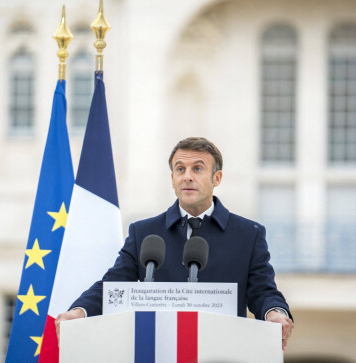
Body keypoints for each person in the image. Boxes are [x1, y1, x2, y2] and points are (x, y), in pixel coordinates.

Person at [56, 137, 294, 349]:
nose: (187, 176)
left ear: (217, 178)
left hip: (222, 350)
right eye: (180, 169)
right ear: (172, 179)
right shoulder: (144, 232)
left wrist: (275, 312)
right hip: (158, 349)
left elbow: (263, 291)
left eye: (198, 168)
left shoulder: (247, 234)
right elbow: (113, 285)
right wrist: (80, 311)